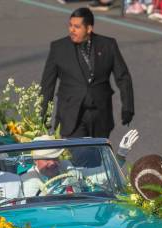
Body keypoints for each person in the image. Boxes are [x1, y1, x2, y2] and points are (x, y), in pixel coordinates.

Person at [40, 8, 135, 149]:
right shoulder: (58, 48)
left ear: (89, 28)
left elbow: (123, 77)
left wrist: (128, 107)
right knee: (79, 157)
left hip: (100, 115)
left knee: (99, 157)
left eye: (77, 27)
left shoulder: (108, 45)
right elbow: (47, 84)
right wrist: (42, 117)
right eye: (70, 25)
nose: (72, 30)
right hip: (71, 116)